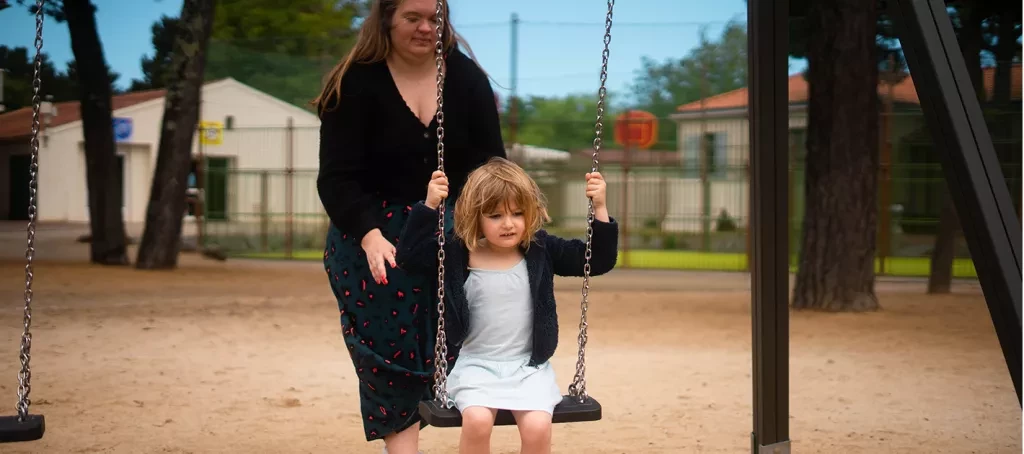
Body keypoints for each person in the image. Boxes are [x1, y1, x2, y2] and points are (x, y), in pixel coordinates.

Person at [314, 0, 505, 452]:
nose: (425, 28)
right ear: (386, 20)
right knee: (389, 348)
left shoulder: (466, 80)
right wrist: (369, 235)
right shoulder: (354, 82)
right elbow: (336, 179)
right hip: (371, 232)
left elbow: (491, 165)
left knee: (462, 333)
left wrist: (501, 221)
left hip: (450, 229)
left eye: (435, 19)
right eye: (412, 18)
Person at [395, 158, 619, 454]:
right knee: (477, 421)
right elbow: (408, 258)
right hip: (476, 366)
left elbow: (597, 260)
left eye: (517, 213)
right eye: (495, 216)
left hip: (528, 368)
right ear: (475, 217)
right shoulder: (457, 253)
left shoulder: (541, 250)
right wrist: (429, 206)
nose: (508, 224)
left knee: (538, 427)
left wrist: (599, 207)